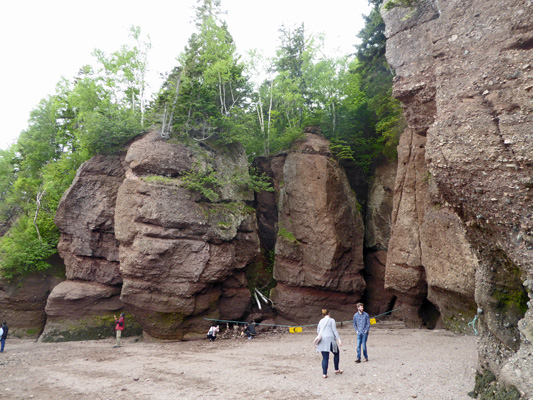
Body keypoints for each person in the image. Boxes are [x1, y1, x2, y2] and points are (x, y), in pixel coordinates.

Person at [315, 309, 343, 379]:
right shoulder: (331, 320)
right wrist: (339, 339)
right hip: (330, 340)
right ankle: (336, 369)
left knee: (325, 358)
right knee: (336, 353)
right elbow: (334, 330)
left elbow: (318, 331)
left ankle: (324, 374)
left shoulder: (320, 321)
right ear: (329, 313)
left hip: (322, 341)